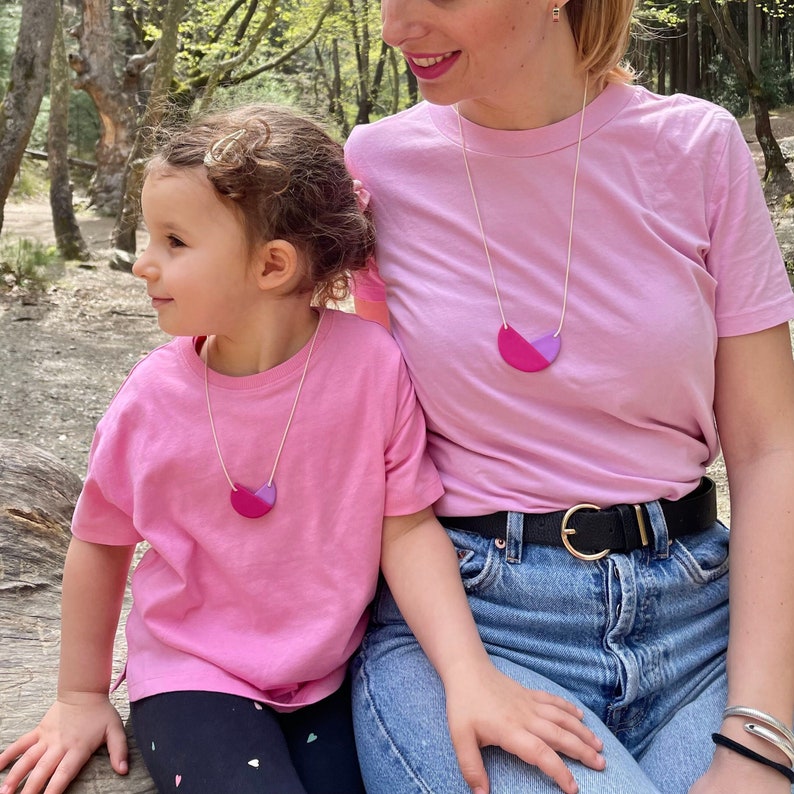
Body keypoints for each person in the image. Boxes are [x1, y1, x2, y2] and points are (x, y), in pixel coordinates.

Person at [0, 104, 606, 794]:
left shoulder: (371, 369)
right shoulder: (150, 400)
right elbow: (99, 541)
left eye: (174, 242)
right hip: (193, 677)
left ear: (274, 264)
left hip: (330, 678)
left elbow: (405, 530)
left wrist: (469, 674)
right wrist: (80, 696)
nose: (144, 264)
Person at [345, 1, 794, 793]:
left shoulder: (697, 147)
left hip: (706, 626)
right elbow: (377, 447)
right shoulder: (378, 167)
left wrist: (759, 730)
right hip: (480, 628)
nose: (395, 27)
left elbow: (769, 447)